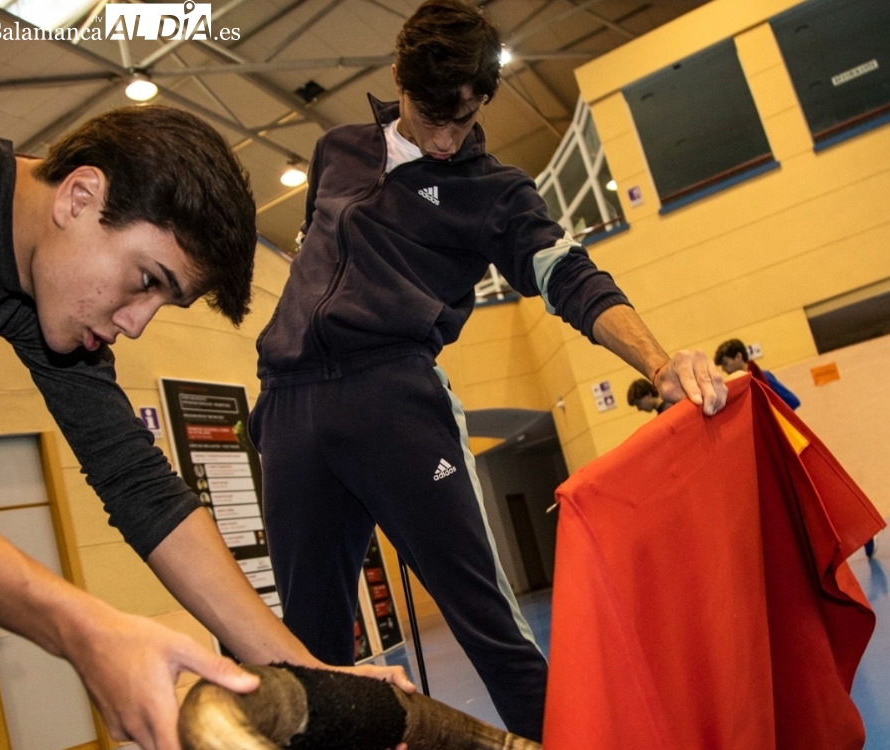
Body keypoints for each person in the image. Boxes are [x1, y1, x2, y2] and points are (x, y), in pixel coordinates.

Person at [249, 0, 726, 741]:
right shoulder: (337, 151)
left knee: (489, 624)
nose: (447, 139)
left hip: (393, 398)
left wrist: (658, 362)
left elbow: (569, 275)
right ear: (398, 80)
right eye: (432, 116)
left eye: (465, 119)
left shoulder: (494, 191)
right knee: (310, 649)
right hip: (288, 403)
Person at [0, 105, 412, 750]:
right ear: (80, 195)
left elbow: (139, 485)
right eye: (145, 280)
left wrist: (313, 678)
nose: (135, 324)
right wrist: (84, 630)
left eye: (163, 301)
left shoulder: (38, 297)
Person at [714, 339, 800, 410]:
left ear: (738, 357)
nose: (723, 369)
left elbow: (792, 401)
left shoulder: (764, 376)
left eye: (725, 364)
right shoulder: (736, 386)